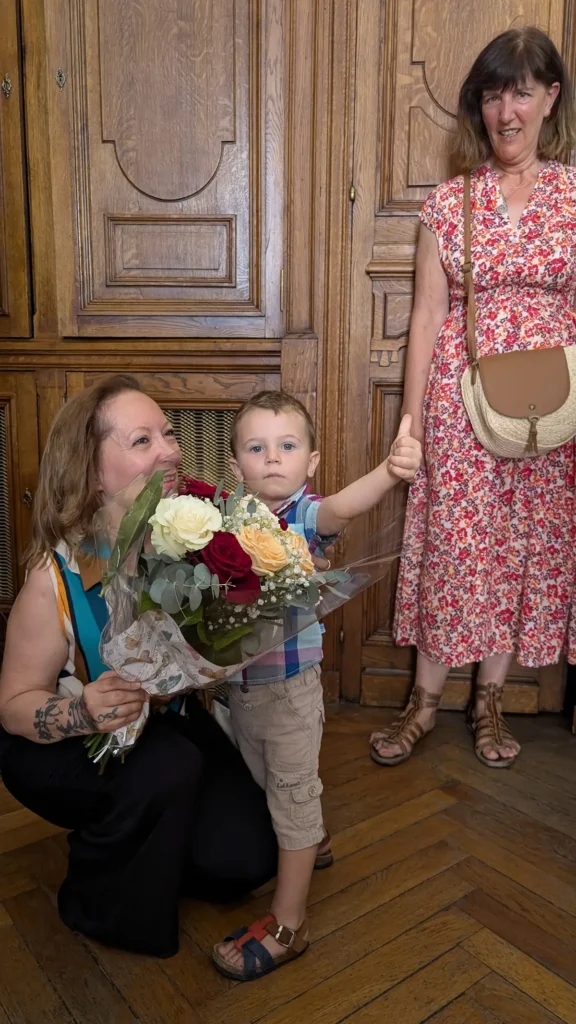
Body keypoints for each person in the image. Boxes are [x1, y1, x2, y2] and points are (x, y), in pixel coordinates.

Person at [0, 374, 281, 958]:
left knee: (247, 860)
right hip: (67, 738)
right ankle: (97, 897)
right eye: (141, 440)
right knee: (170, 764)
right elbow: (13, 707)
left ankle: (151, 836)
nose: (171, 451)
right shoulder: (53, 578)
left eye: (170, 434)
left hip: (163, 720)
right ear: (92, 469)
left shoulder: (183, 541)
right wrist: (82, 710)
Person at [371, 26, 576, 770]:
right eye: (492, 95)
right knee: (458, 548)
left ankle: (486, 699)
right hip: (464, 402)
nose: (506, 111)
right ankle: (423, 702)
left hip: (553, 410)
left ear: (550, 97)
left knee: (521, 550)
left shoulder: (575, 194)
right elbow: (427, 315)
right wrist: (411, 420)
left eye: (521, 91)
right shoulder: (451, 202)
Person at [213, 389, 421, 981]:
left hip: (288, 696)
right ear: (237, 465)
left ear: (311, 462)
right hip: (239, 692)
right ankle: (317, 841)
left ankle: (289, 921)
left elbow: (340, 511)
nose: (272, 458)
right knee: (264, 779)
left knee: (292, 795)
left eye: (287, 446)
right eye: (257, 448)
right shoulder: (230, 519)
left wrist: (386, 472)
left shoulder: (301, 517)